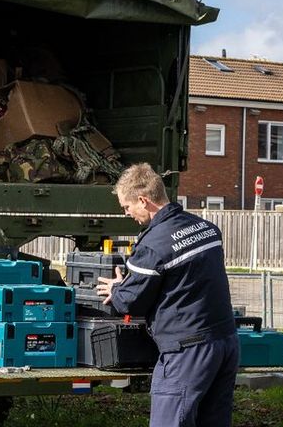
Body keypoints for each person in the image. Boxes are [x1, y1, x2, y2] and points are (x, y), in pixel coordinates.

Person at [96, 162, 238, 427]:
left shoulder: (154, 244)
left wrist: (116, 289)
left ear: (143, 200)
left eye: (127, 207)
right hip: (225, 341)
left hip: (187, 350)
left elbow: (131, 301)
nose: (127, 214)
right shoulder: (207, 229)